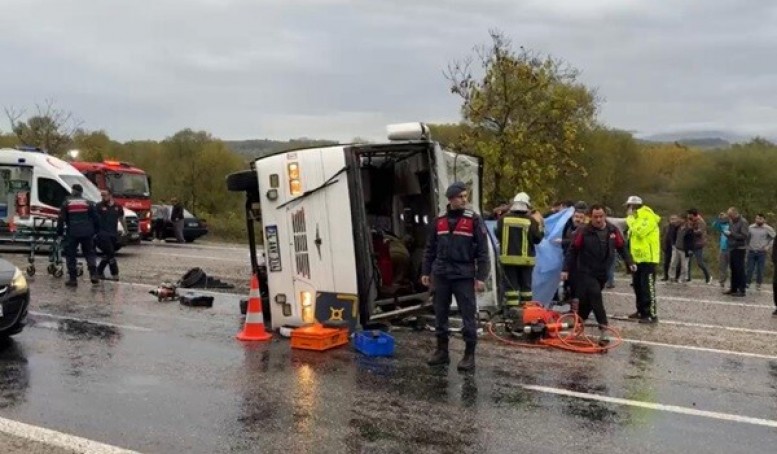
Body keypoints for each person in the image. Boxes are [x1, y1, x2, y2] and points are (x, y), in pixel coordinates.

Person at [422, 181, 490, 372]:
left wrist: (481, 277)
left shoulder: (474, 220)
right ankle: (442, 351)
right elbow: (430, 248)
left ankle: (469, 355)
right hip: (442, 274)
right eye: (460, 196)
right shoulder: (439, 220)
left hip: (463, 274)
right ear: (451, 198)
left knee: (468, 315)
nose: (464, 199)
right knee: (440, 313)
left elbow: (483, 252)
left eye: (465, 196)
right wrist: (426, 271)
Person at [562, 204, 635, 343]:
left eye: (601, 216)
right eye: (595, 217)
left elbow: (622, 247)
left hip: (602, 272)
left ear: (605, 216)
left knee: (587, 301)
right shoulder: (583, 231)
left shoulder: (612, 230)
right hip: (585, 271)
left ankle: (579, 321)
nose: (598, 219)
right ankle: (604, 328)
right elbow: (572, 250)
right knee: (596, 295)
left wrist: (630, 262)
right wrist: (565, 269)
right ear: (591, 217)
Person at [495, 192, 544, 312]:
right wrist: (542, 226)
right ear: (527, 205)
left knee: (511, 288)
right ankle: (526, 312)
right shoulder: (531, 221)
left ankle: (512, 312)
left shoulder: (503, 219)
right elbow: (537, 239)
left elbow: (497, 234)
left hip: (508, 260)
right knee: (526, 289)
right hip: (526, 261)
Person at [624, 195, 661, 323]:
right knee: (637, 286)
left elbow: (640, 232)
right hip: (637, 259)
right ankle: (641, 311)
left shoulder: (647, 215)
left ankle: (651, 314)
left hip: (648, 259)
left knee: (647, 287)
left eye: (628, 207)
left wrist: (630, 219)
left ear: (633, 206)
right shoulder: (636, 218)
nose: (627, 210)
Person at [56, 184, 100, 286]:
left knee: (71, 255)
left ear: (72, 191)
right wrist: (95, 231)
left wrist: (60, 233)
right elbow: (96, 218)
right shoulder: (88, 203)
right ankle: (93, 275)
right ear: (81, 193)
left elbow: (61, 219)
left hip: (72, 232)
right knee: (89, 253)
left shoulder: (67, 203)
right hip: (87, 232)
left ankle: (73, 279)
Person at [95, 190, 126, 280]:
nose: (103, 197)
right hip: (102, 233)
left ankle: (99, 271)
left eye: (104, 195)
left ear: (110, 195)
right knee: (111, 253)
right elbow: (94, 219)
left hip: (113, 233)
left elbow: (121, 218)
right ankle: (115, 273)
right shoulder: (98, 206)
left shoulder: (117, 207)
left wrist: (125, 230)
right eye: (102, 196)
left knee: (108, 254)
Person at [745, 214, 774, 291]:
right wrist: (747, 246)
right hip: (751, 251)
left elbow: (774, 238)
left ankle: (758, 284)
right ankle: (747, 283)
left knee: (760, 269)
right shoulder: (751, 227)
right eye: (757, 218)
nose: (758, 220)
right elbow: (746, 237)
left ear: (764, 220)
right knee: (749, 268)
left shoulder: (768, 228)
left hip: (761, 252)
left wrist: (768, 246)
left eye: (760, 219)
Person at [724, 207, 748, 297]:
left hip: (740, 248)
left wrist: (732, 234)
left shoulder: (743, 222)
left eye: (731, 215)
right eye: (729, 216)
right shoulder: (731, 221)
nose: (730, 217)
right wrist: (727, 234)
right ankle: (733, 288)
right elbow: (730, 232)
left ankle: (742, 290)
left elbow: (744, 236)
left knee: (740, 269)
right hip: (732, 247)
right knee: (733, 268)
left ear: (735, 214)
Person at [686, 209, 711, 283]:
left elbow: (700, 232)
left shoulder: (701, 222)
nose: (688, 216)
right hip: (691, 243)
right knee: (688, 261)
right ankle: (688, 277)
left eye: (689, 215)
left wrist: (692, 230)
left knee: (699, 262)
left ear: (693, 215)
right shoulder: (690, 220)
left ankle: (708, 276)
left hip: (698, 244)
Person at [711, 212, 730, 288]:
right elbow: (714, 226)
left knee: (731, 267)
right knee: (722, 266)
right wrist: (719, 218)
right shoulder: (722, 225)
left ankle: (733, 282)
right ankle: (721, 281)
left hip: (731, 248)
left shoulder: (732, 224)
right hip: (723, 248)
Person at [661, 215, 682, 281]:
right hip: (667, 247)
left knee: (677, 262)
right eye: (672, 219)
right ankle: (666, 276)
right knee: (666, 262)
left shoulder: (679, 227)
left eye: (675, 219)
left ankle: (676, 276)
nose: (673, 220)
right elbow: (663, 236)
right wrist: (663, 245)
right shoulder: (666, 227)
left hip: (676, 246)